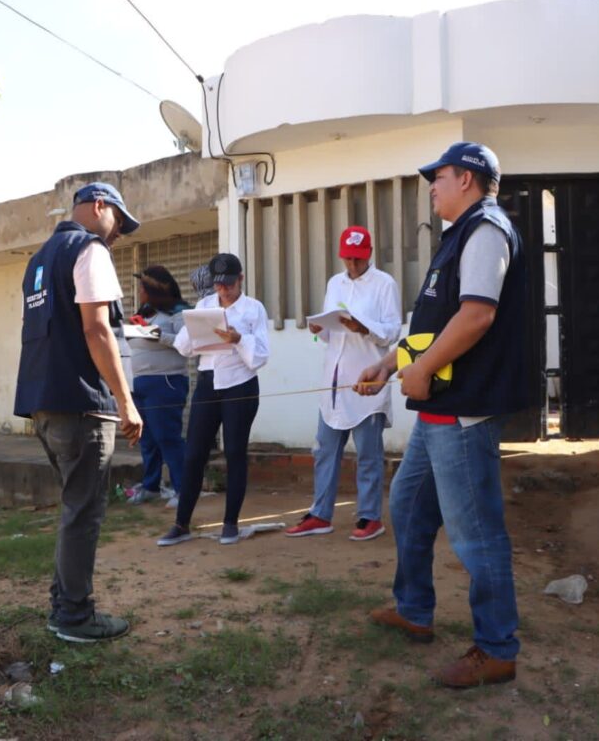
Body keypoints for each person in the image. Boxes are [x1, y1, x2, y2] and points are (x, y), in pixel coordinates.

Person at [354, 142, 526, 688]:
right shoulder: (457, 238)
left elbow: (476, 316)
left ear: (469, 181)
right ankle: (414, 609)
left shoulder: (486, 231)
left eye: (440, 176)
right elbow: (434, 323)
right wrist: (389, 362)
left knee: (476, 534)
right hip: (438, 415)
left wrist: (422, 369)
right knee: (407, 507)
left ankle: (497, 648)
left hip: (463, 411)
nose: (432, 185)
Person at [14, 182, 144, 644]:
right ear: (99, 207)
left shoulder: (40, 259)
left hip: (45, 403)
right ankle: (73, 615)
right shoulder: (88, 249)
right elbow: (97, 329)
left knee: (75, 507)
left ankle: (62, 605)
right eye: (119, 224)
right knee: (84, 511)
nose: (119, 235)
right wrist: (125, 400)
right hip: (82, 404)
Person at [285, 226, 402, 541]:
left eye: (358, 259)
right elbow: (329, 335)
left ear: (369, 254)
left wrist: (363, 327)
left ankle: (369, 517)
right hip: (333, 381)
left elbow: (392, 332)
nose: (352, 265)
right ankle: (321, 514)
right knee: (324, 450)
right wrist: (318, 327)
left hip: (367, 381)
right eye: (347, 259)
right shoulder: (334, 283)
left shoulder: (384, 284)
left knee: (368, 455)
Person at [157, 252, 269, 547]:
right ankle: (181, 524)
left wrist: (238, 339)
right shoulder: (204, 305)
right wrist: (193, 329)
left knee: (234, 452)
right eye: (219, 285)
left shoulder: (253, 309)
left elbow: (260, 357)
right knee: (194, 453)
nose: (223, 290)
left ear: (241, 279)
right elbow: (184, 348)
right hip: (208, 384)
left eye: (229, 284)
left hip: (240, 385)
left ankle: (230, 523)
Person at [125, 266, 190, 509]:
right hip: (141, 382)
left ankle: (184, 488)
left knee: (167, 437)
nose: (139, 290)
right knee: (148, 438)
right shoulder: (145, 312)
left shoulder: (178, 312)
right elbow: (134, 342)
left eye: (143, 287)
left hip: (166, 382)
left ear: (154, 289)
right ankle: (151, 486)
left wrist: (155, 333)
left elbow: (186, 345)